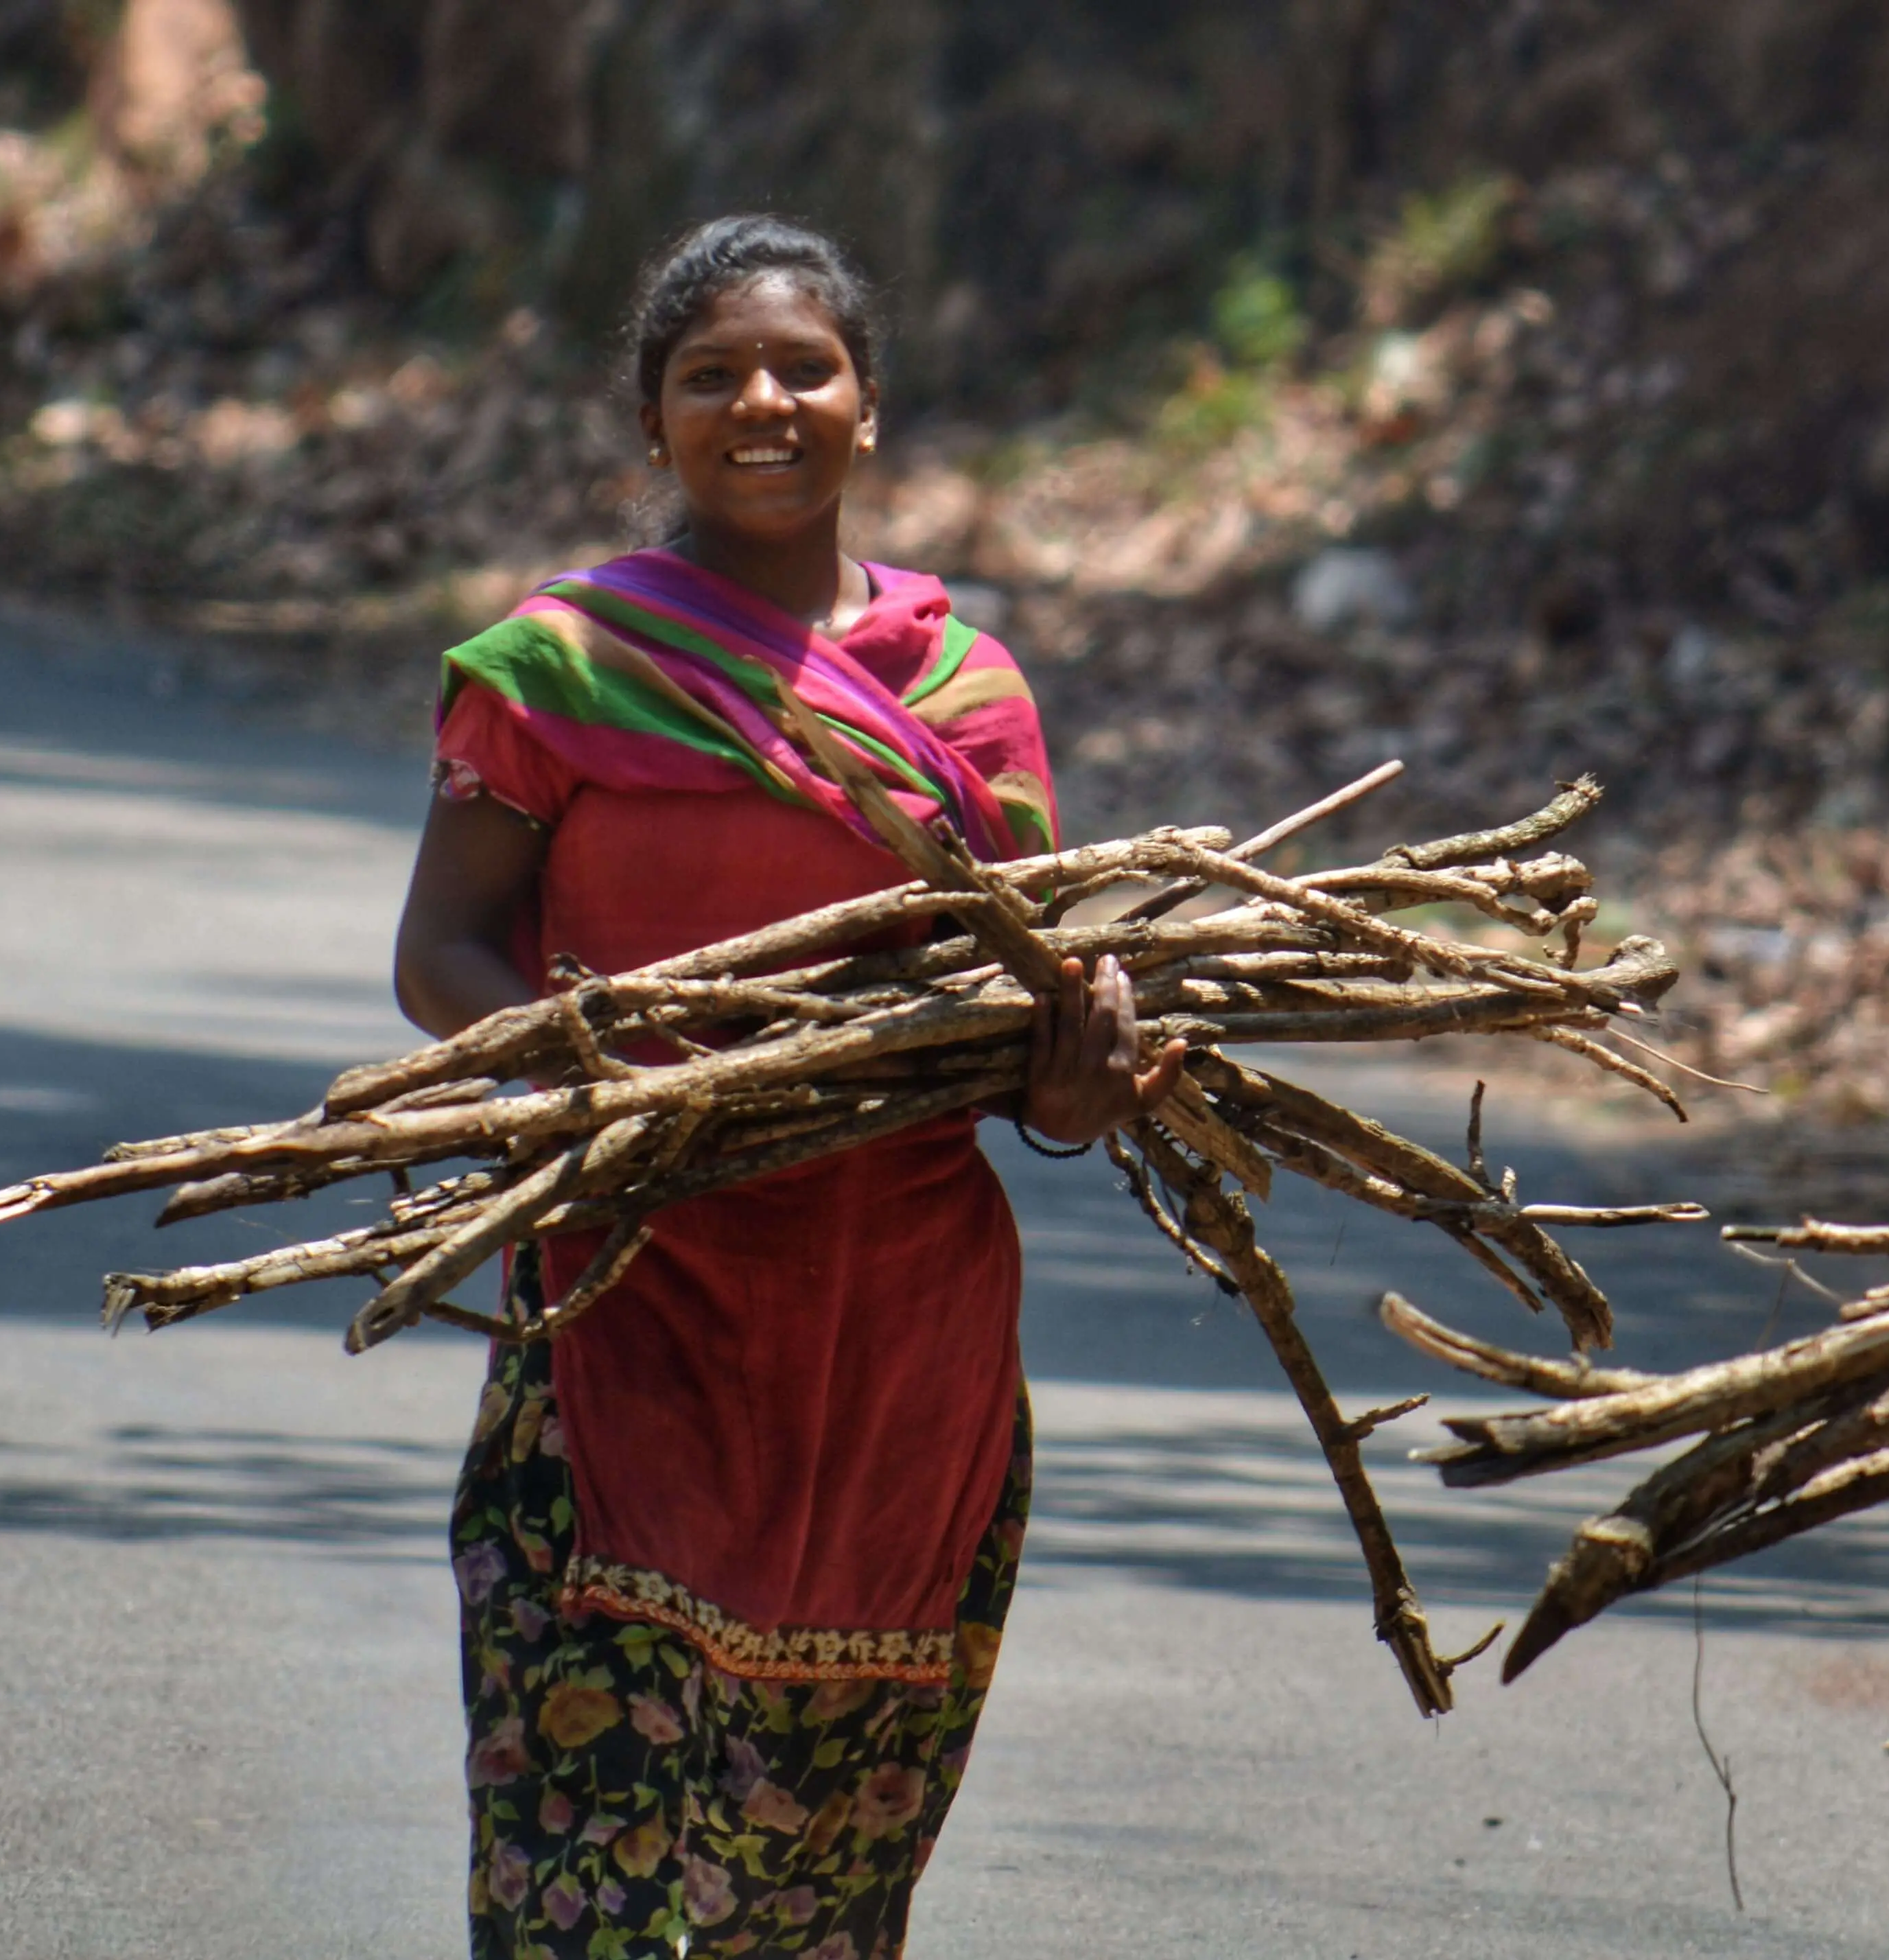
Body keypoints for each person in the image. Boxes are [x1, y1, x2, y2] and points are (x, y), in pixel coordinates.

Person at [393, 213, 1182, 1960]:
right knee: (574, 1878)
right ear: (652, 424)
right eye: (709, 376)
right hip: (622, 1297)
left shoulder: (970, 703)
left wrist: (1077, 1082)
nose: (762, 400)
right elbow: (444, 954)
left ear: (868, 408)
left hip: (901, 1348)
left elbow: (1018, 1046)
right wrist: (600, 1105)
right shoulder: (559, 671)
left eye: (802, 367)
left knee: (822, 1892)